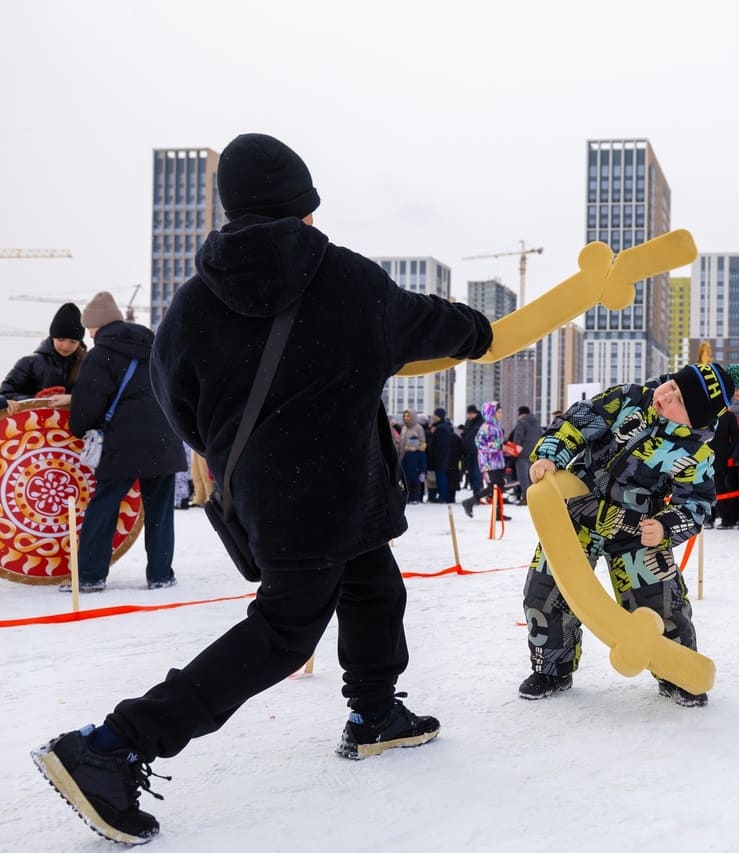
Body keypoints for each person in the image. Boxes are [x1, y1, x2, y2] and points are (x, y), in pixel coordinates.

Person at [32, 132, 495, 845]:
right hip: (334, 488)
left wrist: (237, 454)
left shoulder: (193, 301)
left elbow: (174, 399)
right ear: (303, 207)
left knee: (372, 582)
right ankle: (115, 743)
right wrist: (479, 329)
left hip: (273, 495)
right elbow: (432, 325)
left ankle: (375, 711)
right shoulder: (348, 280)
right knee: (283, 631)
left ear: (234, 210)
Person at [517, 361, 739, 707]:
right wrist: (551, 456)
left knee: (662, 602)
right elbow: (577, 421)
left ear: (694, 419)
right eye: (672, 386)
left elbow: (697, 504)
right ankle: (552, 669)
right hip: (576, 513)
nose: (666, 396)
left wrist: (666, 527)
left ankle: (677, 672)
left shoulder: (694, 453)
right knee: (545, 590)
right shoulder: (628, 399)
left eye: (680, 401)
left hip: (636, 529)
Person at [62, 292, 186, 593]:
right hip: (165, 439)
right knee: (160, 512)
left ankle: (90, 575)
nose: (89, 334)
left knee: (103, 507)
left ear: (97, 326)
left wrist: (80, 427)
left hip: (123, 443)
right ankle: (161, 574)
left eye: (89, 328)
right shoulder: (155, 347)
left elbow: (89, 403)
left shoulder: (101, 354)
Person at [1, 301, 87, 410]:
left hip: (72, 420)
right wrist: (36, 400)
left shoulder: (87, 365)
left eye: (73, 342)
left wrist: (72, 398)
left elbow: (94, 395)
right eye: (61, 340)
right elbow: (6, 394)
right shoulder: (29, 363)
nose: (66, 346)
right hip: (34, 419)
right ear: (52, 337)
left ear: (80, 342)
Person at [462, 402, 510, 518]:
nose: (501, 414)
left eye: (501, 411)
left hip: (498, 462)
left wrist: (505, 449)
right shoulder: (485, 427)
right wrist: (499, 447)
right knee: (493, 487)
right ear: (491, 413)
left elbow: (497, 444)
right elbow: (480, 444)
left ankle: (498, 513)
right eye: (498, 412)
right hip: (489, 462)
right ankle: (470, 502)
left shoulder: (496, 427)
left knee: (499, 486)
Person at [509, 404, 541, 504]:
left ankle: (526, 498)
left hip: (522, 455)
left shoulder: (522, 423)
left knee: (523, 478)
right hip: (534, 454)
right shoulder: (537, 424)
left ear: (521, 414)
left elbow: (517, 439)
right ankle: (533, 498)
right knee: (532, 477)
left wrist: (513, 455)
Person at [427, 407, 460, 503]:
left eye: (435, 415)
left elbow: (437, 444)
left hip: (441, 458)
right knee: (444, 477)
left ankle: (443, 497)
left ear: (439, 416)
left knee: (441, 477)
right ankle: (444, 496)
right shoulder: (446, 427)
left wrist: (434, 455)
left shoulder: (440, 428)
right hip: (446, 457)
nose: (433, 417)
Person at [397, 409, 428, 504]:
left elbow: (423, 443)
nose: (406, 418)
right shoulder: (404, 428)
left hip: (414, 457)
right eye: (404, 416)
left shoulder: (418, 428)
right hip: (403, 457)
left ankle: (417, 497)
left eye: (408, 416)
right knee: (405, 480)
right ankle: (406, 497)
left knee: (415, 481)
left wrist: (416, 450)